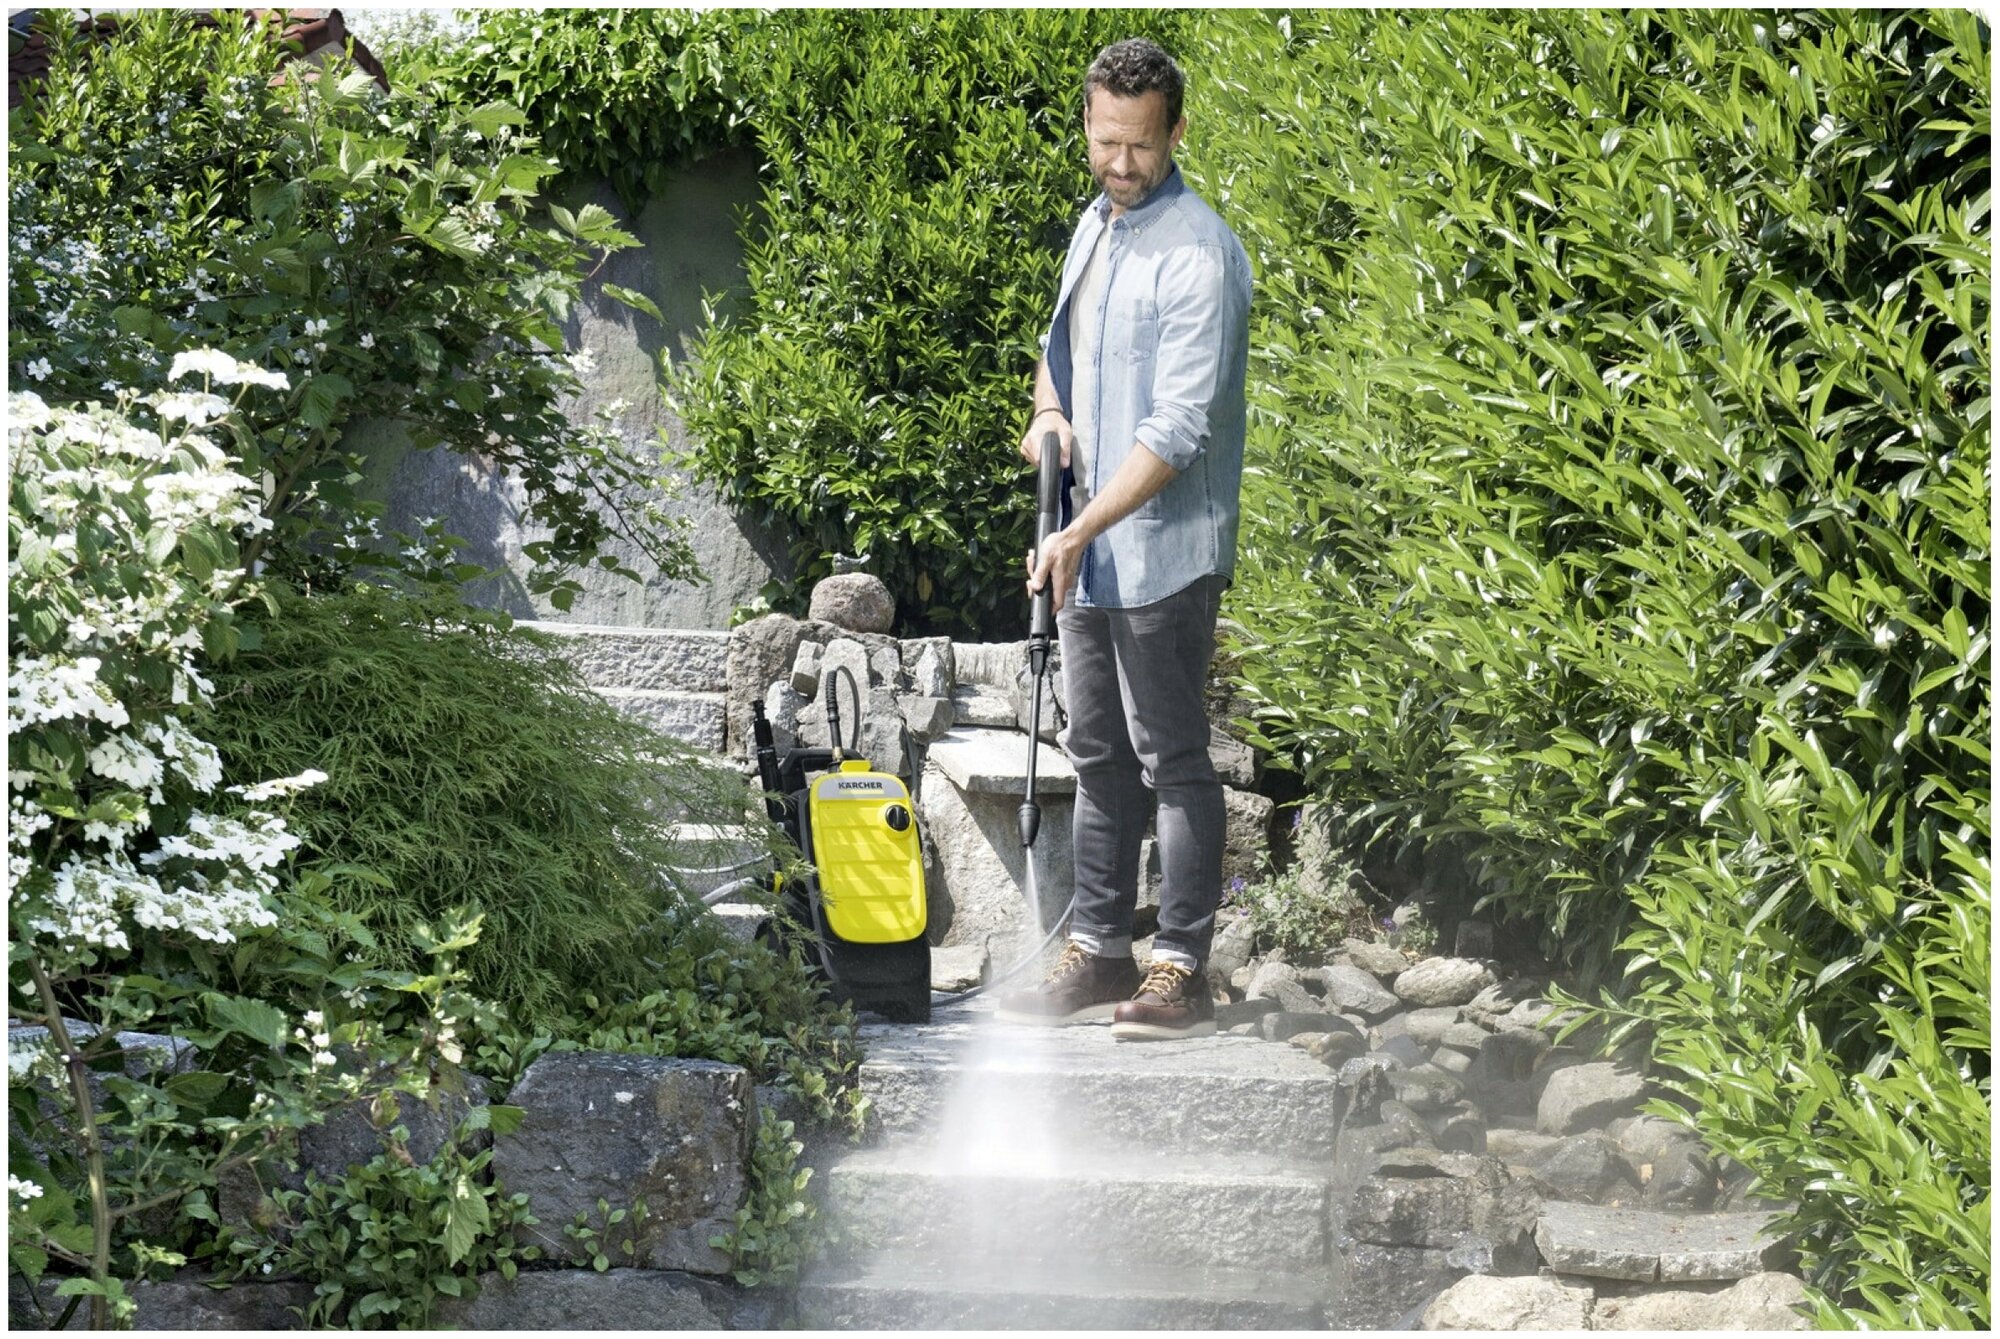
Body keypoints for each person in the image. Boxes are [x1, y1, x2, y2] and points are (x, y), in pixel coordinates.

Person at [994, 37, 1251, 1041]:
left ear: (1176, 131)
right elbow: (1056, 353)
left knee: (1171, 756)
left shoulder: (1200, 253)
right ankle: (1100, 950)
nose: (1122, 163)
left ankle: (1180, 968)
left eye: (1140, 144)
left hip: (1164, 554)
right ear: (1088, 127)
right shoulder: (1091, 229)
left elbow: (1177, 432)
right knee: (1095, 750)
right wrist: (1047, 416)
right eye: (1106, 142)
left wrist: (1077, 530)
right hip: (1088, 551)